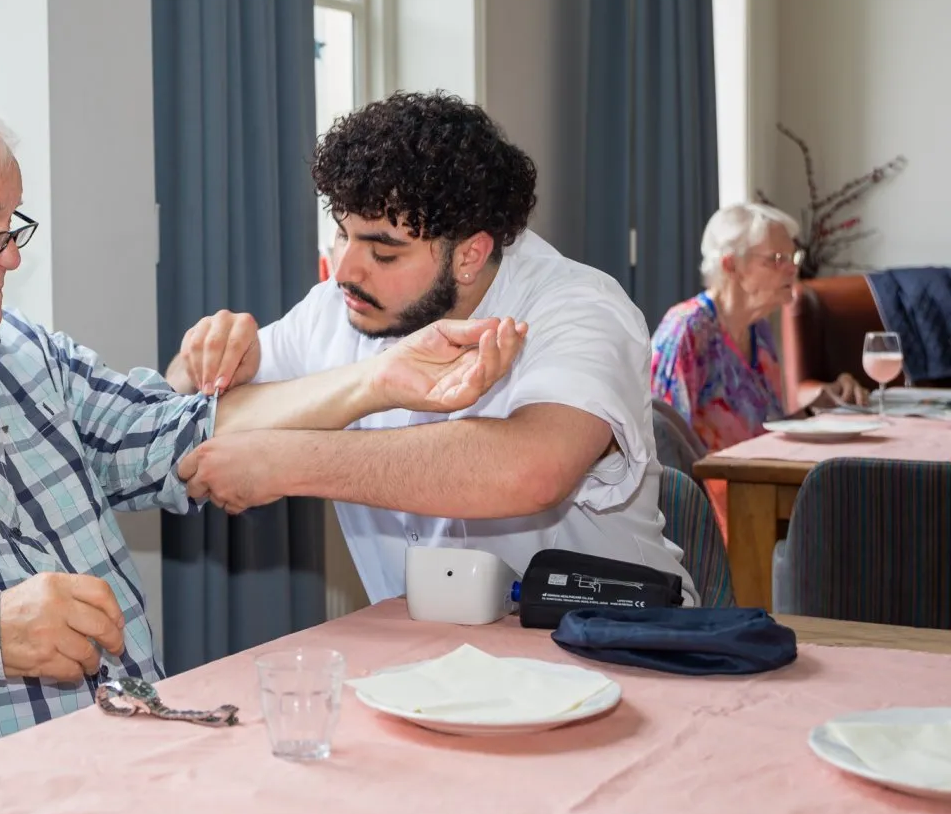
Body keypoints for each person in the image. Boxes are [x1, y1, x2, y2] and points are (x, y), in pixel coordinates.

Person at [0, 89, 525, 794]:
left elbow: (174, 434)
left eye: (13, 228)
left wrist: (381, 381)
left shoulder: (20, 352)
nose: (9, 257)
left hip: (128, 764)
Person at [169, 90, 698, 605]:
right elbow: (181, 408)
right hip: (423, 649)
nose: (346, 270)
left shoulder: (579, 307)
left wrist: (291, 461)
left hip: (611, 639)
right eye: (342, 234)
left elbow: (533, 470)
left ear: (469, 256)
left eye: (383, 252)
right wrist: (206, 357)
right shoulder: (337, 307)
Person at [650, 203, 868, 452]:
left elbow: (766, 434)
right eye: (777, 259)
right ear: (731, 265)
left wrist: (817, 408)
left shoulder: (759, 330)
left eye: (793, 257)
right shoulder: (689, 329)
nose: (793, 268)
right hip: (710, 478)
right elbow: (663, 447)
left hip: (756, 472)